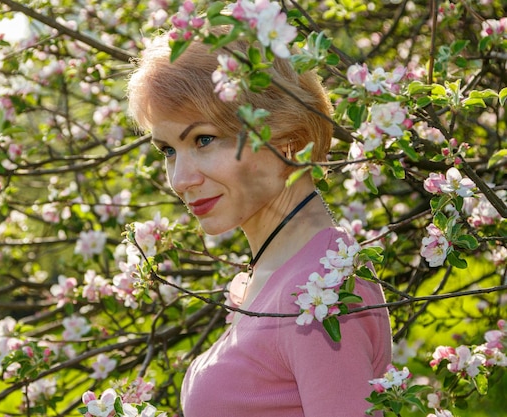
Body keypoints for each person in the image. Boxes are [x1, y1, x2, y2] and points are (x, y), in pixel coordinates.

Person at [127, 28, 392, 417]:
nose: (181, 179)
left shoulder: (318, 291)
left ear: (286, 135)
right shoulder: (282, 276)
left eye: (203, 140)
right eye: (168, 150)